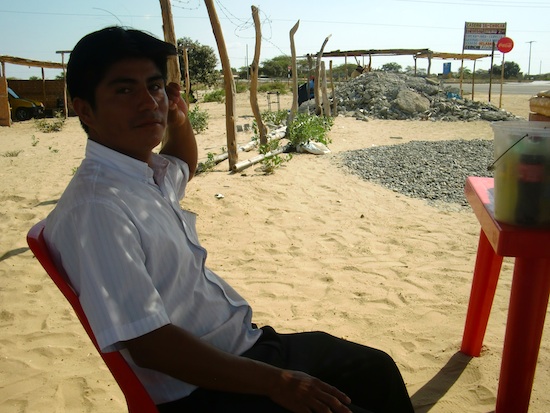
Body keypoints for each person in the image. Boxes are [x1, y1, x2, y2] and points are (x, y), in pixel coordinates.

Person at [44, 26, 415, 413]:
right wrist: (276, 381)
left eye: (154, 87)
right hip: (203, 387)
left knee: (376, 369)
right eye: (124, 90)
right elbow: (149, 344)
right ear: (85, 109)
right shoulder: (98, 208)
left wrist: (179, 121)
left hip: (245, 347)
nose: (148, 102)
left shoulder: (138, 173)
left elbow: (182, 163)